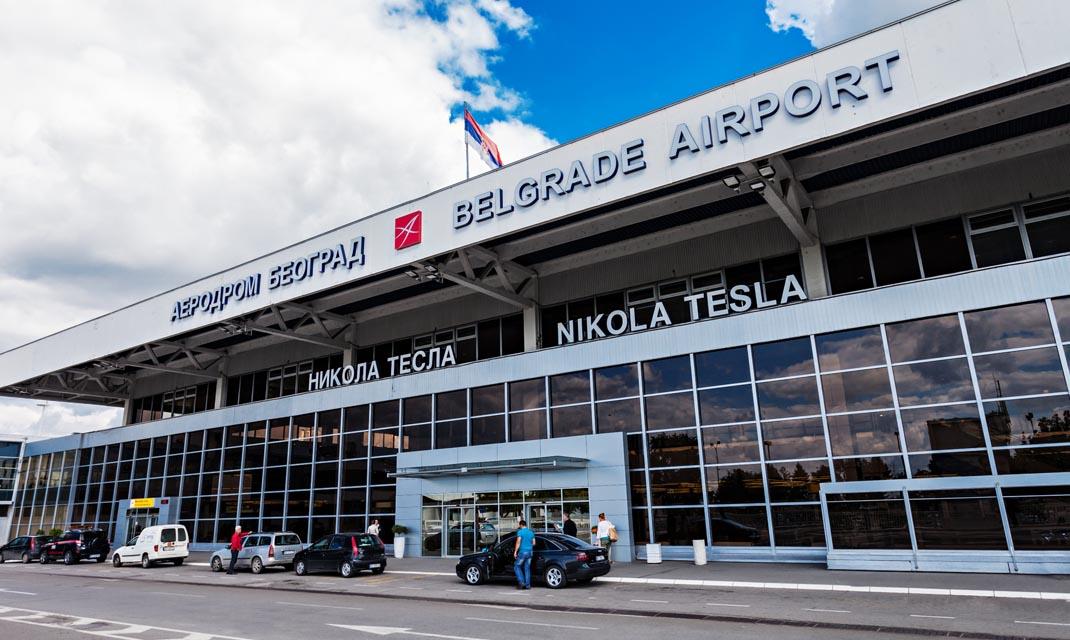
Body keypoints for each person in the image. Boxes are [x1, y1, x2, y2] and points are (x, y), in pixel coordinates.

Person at [512, 519, 535, 590]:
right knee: (527, 568)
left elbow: (518, 542)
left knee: (516, 566)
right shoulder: (531, 532)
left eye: (519, 525)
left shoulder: (520, 532)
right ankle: (528, 586)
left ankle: (522, 582)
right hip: (530, 552)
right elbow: (534, 543)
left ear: (521, 525)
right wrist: (529, 545)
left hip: (523, 552)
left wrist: (515, 551)